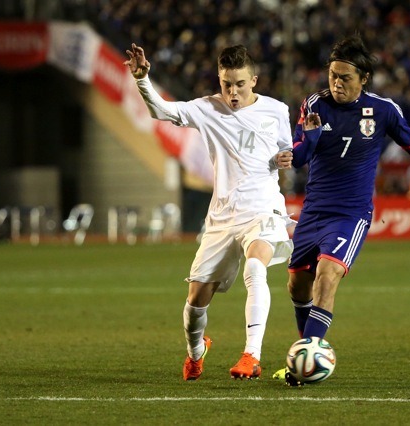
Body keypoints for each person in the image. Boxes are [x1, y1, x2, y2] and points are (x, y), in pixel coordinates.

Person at [273, 35, 410, 383]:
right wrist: (309, 140)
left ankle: (307, 358)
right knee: (296, 287)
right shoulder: (314, 104)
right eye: (332, 75)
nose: (336, 83)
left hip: (351, 214)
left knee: (326, 276)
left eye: (345, 77)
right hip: (313, 212)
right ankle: (306, 352)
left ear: (363, 79)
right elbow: (299, 157)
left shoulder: (383, 110)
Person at [124, 43, 294, 380]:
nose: (233, 92)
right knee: (195, 302)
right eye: (226, 84)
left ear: (254, 80)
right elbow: (162, 112)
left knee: (256, 269)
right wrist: (143, 80)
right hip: (222, 215)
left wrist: (283, 160)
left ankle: (251, 355)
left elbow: (284, 151)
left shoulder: (277, 110)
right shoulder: (206, 108)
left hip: (262, 207)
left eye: (240, 84)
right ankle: (197, 351)